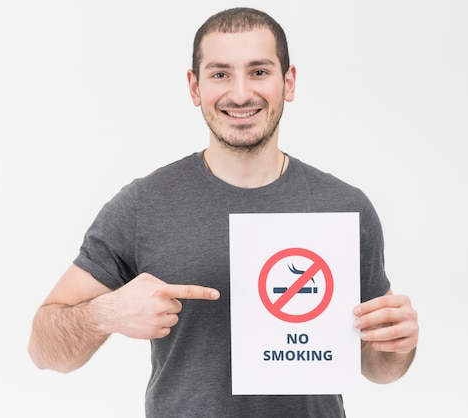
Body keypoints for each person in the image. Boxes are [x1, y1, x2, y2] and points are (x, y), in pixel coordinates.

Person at [28, 7, 419, 417]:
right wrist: (106, 313)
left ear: (288, 82)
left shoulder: (345, 207)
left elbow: (378, 368)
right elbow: (44, 350)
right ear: (194, 87)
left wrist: (399, 344)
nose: (239, 93)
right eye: (219, 74)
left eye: (259, 72)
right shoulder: (144, 205)